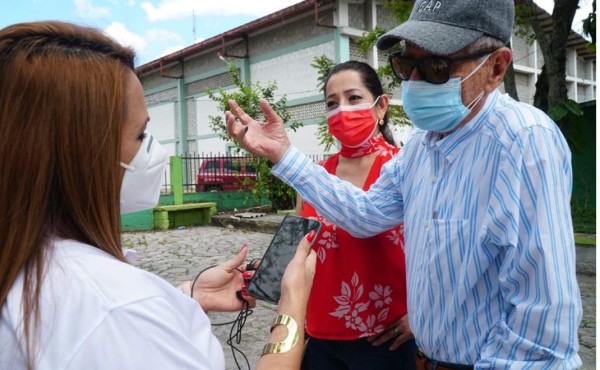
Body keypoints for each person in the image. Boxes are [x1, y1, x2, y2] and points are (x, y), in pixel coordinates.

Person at [224, 0, 583, 368]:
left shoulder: (521, 141)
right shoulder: (421, 148)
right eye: (406, 64)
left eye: (436, 67)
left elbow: (541, 318)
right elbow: (366, 213)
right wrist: (283, 155)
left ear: (496, 67)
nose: (415, 82)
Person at [0, 21, 316, 370]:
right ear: (79, 153)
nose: (155, 152)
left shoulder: (28, 265)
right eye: (140, 134)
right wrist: (291, 309)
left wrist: (188, 297)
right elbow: (116, 317)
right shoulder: (117, 309)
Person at [297, 60, 416, 370]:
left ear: (381, 107)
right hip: (319, 337)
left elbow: (437, 253)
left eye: (353, 98)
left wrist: (421, 315)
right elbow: (298, 256)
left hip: (386, 338)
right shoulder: (313, 178)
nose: (342, 110)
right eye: (332, 103)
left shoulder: (405, 169)